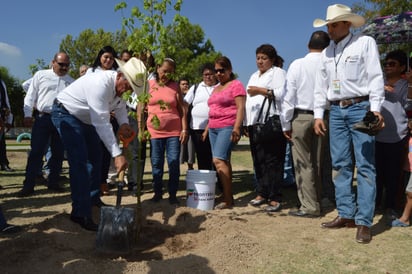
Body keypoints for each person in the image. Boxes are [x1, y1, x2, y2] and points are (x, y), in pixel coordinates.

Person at [313, 4, 385, 244]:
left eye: (333, 24)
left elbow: (376, 77)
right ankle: (346, 213)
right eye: (329, 25)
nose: (330, 29)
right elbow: (320, 86)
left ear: (347, 24)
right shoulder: (326, 53)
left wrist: (375, 110)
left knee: (365, 165)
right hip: (335, 110)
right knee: (340, 164)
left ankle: (364, 221)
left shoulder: (365, 43)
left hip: (360, 107)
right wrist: (317, 115)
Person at [51, 57, 140, 231]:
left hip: (87, 120)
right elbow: (101, 122)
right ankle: (80, 213)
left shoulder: (120, 88)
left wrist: (124, 124)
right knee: (81, 163)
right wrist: (117, 154)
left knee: (96, 159)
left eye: (131, 88)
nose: (128, 90)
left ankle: (92, 199)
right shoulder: (99, 84)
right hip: (66, 114)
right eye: (128, 85)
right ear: (120, 75)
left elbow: (120, 108)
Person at [282, 31, 331, 218]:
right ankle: (318, 199)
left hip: (301, 116)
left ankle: (309, 205)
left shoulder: (298, 64)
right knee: (319, 163)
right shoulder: (328, 63)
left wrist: (285, 123)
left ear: (308, 44)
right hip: (323, 116)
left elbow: (289, 97)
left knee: (303, 163)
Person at [18, 52, 74, 197]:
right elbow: (30, 95)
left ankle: (53, 182)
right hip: (43, 118)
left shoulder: (71, 81)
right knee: (36, 152)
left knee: (58, 153)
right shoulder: (40, 75)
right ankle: (28, 185)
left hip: (62, 119)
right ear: (53, 62)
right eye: (61, 64)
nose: (64, 67)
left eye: (67, 65)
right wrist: (28, 114)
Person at [245, 45, 287, 212]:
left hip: (271, 122)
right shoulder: (254, 75)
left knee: (273, 160)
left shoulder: (278, 73)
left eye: (263, 58)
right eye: (258, 58)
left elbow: (282, 93)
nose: (260, 61)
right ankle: (261, 192)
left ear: (272, 59)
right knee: (258, 159)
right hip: (255, 123)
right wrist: (246, 123)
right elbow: (248, 99)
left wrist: (260, 91)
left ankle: (275, 196)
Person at [145, 57, 188, 204]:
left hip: (173, 132)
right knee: (156, 163)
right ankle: (157, 192)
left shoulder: (175, 86)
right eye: (164, 71)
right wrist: (141, 128)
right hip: (154, 132)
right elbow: (140, 107)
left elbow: (182, 109)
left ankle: (173, 194)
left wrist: (184, 129)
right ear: (157, 68)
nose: (166, 75)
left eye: (170, 72)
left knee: (174, 162)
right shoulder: (148, 85)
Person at [208, 56, 246, 209]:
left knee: (218, 160)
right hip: (213, 128)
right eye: (216, 70)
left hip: (227, 126)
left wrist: (237, 127)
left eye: (221, 70)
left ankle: (228, 199)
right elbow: (212, 109)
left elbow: (241, 108)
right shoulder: (216, 88)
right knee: (223, 161)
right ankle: (226, 195)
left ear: (230, 70)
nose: (218, 73)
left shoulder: (236, 85)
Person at [375, 50, 409, 216]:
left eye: (392, 64)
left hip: (398, 135)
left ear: (402, 67)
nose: (387, 66)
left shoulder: (405, 85)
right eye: (386, 63)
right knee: (376, 173)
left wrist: (409, 84)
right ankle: (375, 204)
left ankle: (390, 206)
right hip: (376, 134)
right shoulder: (378, 82)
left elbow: (409, 106)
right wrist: (380, 89)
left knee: (393, 174)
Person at [86, 46, 119, 196]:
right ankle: (91, 182)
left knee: (106, 152)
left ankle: (103, 182)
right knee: (93, 151)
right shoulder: (91, 72)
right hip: (93, 118)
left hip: (110, 118)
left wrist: (112, 109)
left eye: (111, 58)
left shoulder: (117, 74)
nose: (108, 60)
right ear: (100, 57)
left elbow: (119, 98)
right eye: (106, 57)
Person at [184, 63, 219, 171]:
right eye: (205, 74)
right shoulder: (196, 87)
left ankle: (218, 181)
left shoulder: (221, 87)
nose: (208, 77)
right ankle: (205, 182)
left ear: (216, 75)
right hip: (197, 129)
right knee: (202, 156)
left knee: (217, 156)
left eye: (210, 74)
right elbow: (185, 104)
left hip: (216, 127)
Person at [179, 78, 195, 170]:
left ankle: (190, 167)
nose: (185, 86)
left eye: (187, 84)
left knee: (190, 150)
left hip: (190, 126)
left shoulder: (192, 95)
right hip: (179, 127)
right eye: (183, 84)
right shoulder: (177, 96)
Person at [0, 77, 14, 172]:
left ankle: (4, 163)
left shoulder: (1, 82)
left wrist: (9, 119)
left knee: (1, 143)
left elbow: (6, 100)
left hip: (2, 116)